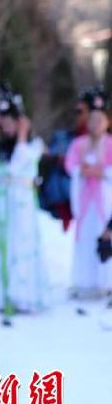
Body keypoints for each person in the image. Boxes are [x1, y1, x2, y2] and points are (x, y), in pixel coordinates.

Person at [0, 81, 48, 324]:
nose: (7, 126)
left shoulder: (32, 146)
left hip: (21, 204)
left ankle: (23, 294)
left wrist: (23, 136)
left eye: (11, 121)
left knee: (21, 245)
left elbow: (19, 165)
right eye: (2, 122)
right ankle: (0, 294)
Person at [63, 88, 112, 301]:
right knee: (85, 236)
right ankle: (85, 281)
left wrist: (102, 172)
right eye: (92, 120)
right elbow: (70, 165)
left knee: (104, 233)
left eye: (99, 120)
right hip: (85, 198)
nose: (95, 125)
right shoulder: (79, 144)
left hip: (104, 196)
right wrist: (82, 171)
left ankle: (106, 281)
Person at [38, 98, 89, 229]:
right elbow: (47, 157)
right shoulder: (62, 137)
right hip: (58, 208)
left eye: (80, 111)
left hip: (90, 208)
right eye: (75, 111)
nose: (76, 115)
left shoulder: (105, 143)